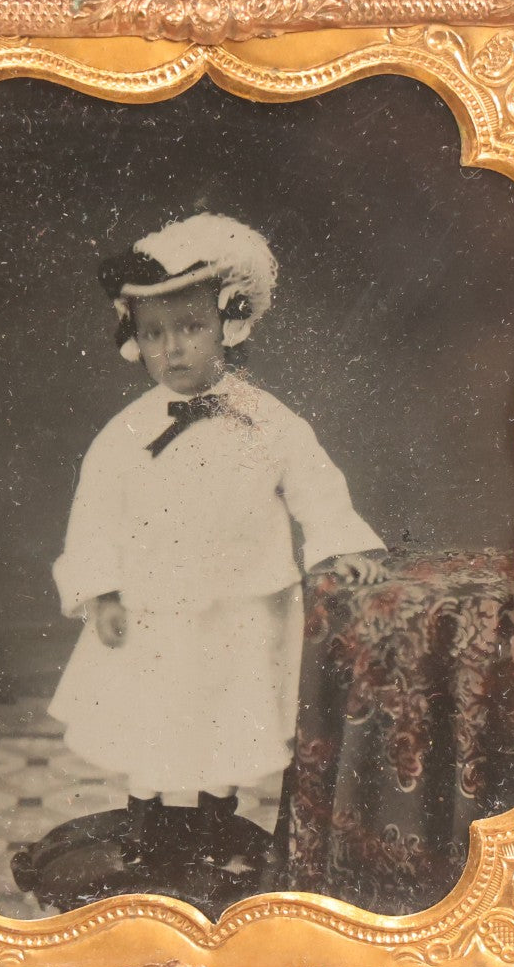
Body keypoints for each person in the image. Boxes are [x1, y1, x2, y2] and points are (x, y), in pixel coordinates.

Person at [50, 213, 387, 866]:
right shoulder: (123, 435)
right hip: (155, 610)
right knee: (153, 710)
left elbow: (313, 484)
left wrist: (338, 545)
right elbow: (93, 513)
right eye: (154, 334)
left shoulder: (267, 422)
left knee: (227, 714)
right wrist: (103, 592)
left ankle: (211, 820)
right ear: (134, 342)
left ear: (227, 325)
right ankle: (147, 822)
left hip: (241, 607)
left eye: (190, 328)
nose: (172, 349)